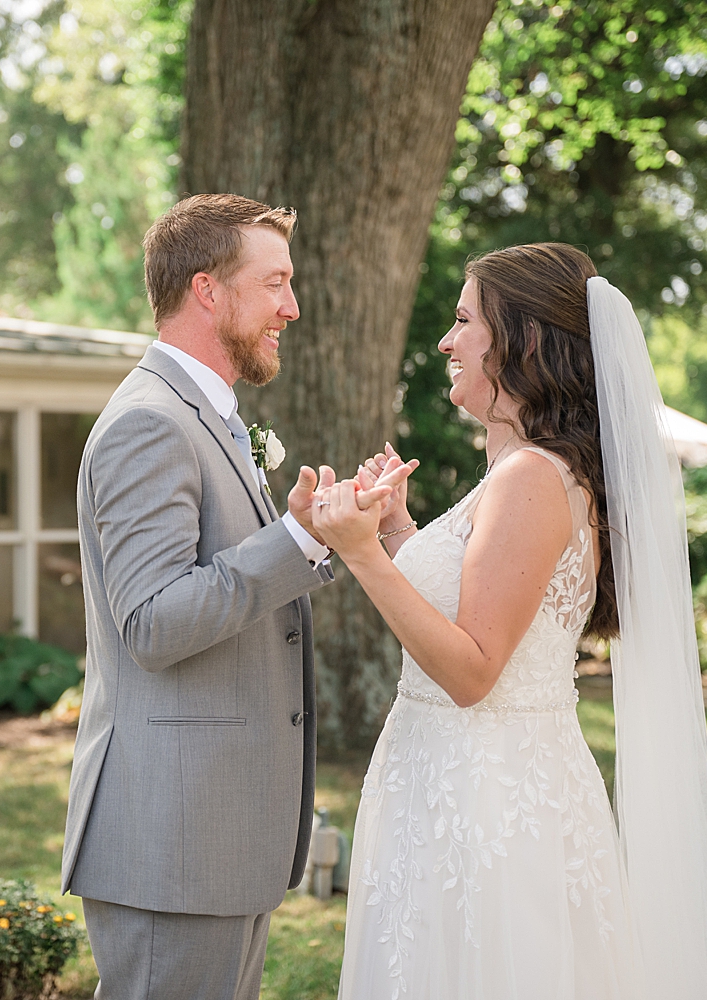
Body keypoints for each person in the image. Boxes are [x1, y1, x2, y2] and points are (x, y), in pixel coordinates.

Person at [314, 243, 707, 999]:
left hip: (488, 799)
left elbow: (474, 668)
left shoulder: (531, 479)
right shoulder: (524, 469)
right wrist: (394, 531)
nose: (446, 343)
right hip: (460, 780)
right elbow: (478, 605)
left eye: (462, 321)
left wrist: (363, 559)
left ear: (523, 340)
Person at [60, 193, 412, 1000]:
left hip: (213, 840)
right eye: (275, 283)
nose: (292, 307)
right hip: (173, 844)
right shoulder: (149, 424)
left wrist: (314, 532)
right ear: (207, 290)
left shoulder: (208, 418)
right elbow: (151, 623)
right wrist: (292, 543)